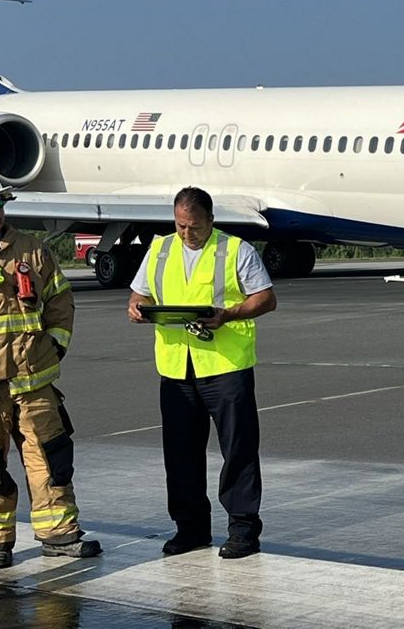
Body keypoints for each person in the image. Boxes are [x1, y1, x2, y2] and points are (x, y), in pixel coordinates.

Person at [0, 162, 102, 568]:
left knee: (50, 458)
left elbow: (60, 301)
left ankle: (60, 535)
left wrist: (53, 346)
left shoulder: (32, 250)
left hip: (35, 383)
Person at [126, 187, 277, 559]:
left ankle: (243, 529)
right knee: (180, 454)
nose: (186, 234)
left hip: (225, 367)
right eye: (180, 226)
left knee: (238, 450)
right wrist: (138, 308)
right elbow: (139, 294)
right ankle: (190, 529)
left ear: (211, 220)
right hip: (177, 368)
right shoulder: (160, 249)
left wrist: (229, 314)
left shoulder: (235, 249)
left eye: (193, 226)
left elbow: (266, 298)